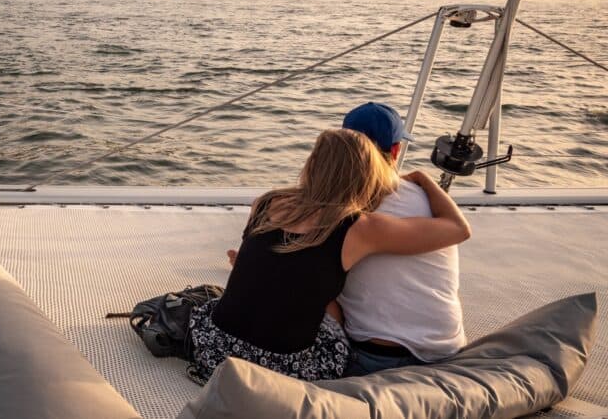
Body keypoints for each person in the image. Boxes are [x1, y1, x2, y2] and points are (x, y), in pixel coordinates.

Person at [189, 128, 471, 382]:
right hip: (279, 370)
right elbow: (458, 228)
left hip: (215, 348)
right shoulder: (359, 227)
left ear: (312, 164)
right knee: (327, 295)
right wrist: (423, 178)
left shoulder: (266, 201)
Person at [337, 102, 466, 376]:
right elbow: (460, 229)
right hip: (445, 351)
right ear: (395, 150)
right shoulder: (429, 202)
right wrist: (423, 178)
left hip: (374, 357)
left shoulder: (336, 205)